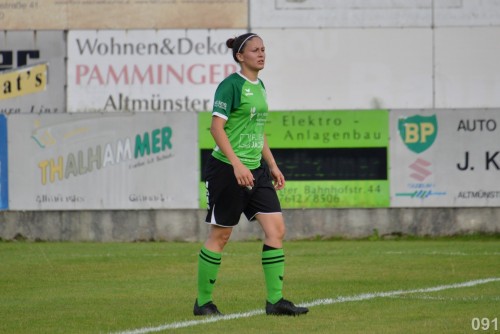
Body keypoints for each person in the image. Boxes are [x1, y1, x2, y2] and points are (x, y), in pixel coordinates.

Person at [194, 33, 309, 317]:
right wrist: (236, 164)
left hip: (256, 170)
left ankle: (275, 301)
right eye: (255, 50)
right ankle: (203, 302)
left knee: (276, 230)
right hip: (227, 170)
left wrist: (271, 164)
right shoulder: (230, 86)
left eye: (264, 49)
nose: (261, 54)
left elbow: (258, 130)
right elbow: (216, 129)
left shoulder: (261, 86)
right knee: (221, 236)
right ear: (239, 56)